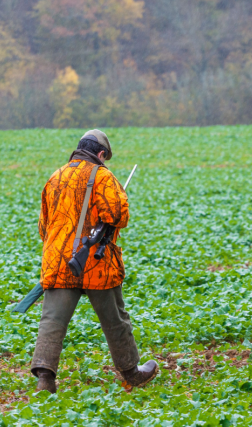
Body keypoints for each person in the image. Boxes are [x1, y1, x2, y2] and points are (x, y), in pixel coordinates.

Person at [31, 129, 158, 393]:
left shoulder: (55, 177)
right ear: (101, 154)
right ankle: (132, 373)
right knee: (115, 320)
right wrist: (120, 195)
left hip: (59, 263)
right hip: (96, 265)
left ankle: (45, 380)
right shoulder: (102, 176)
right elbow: (117, 215)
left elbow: (44, 227)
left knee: (52, 321)